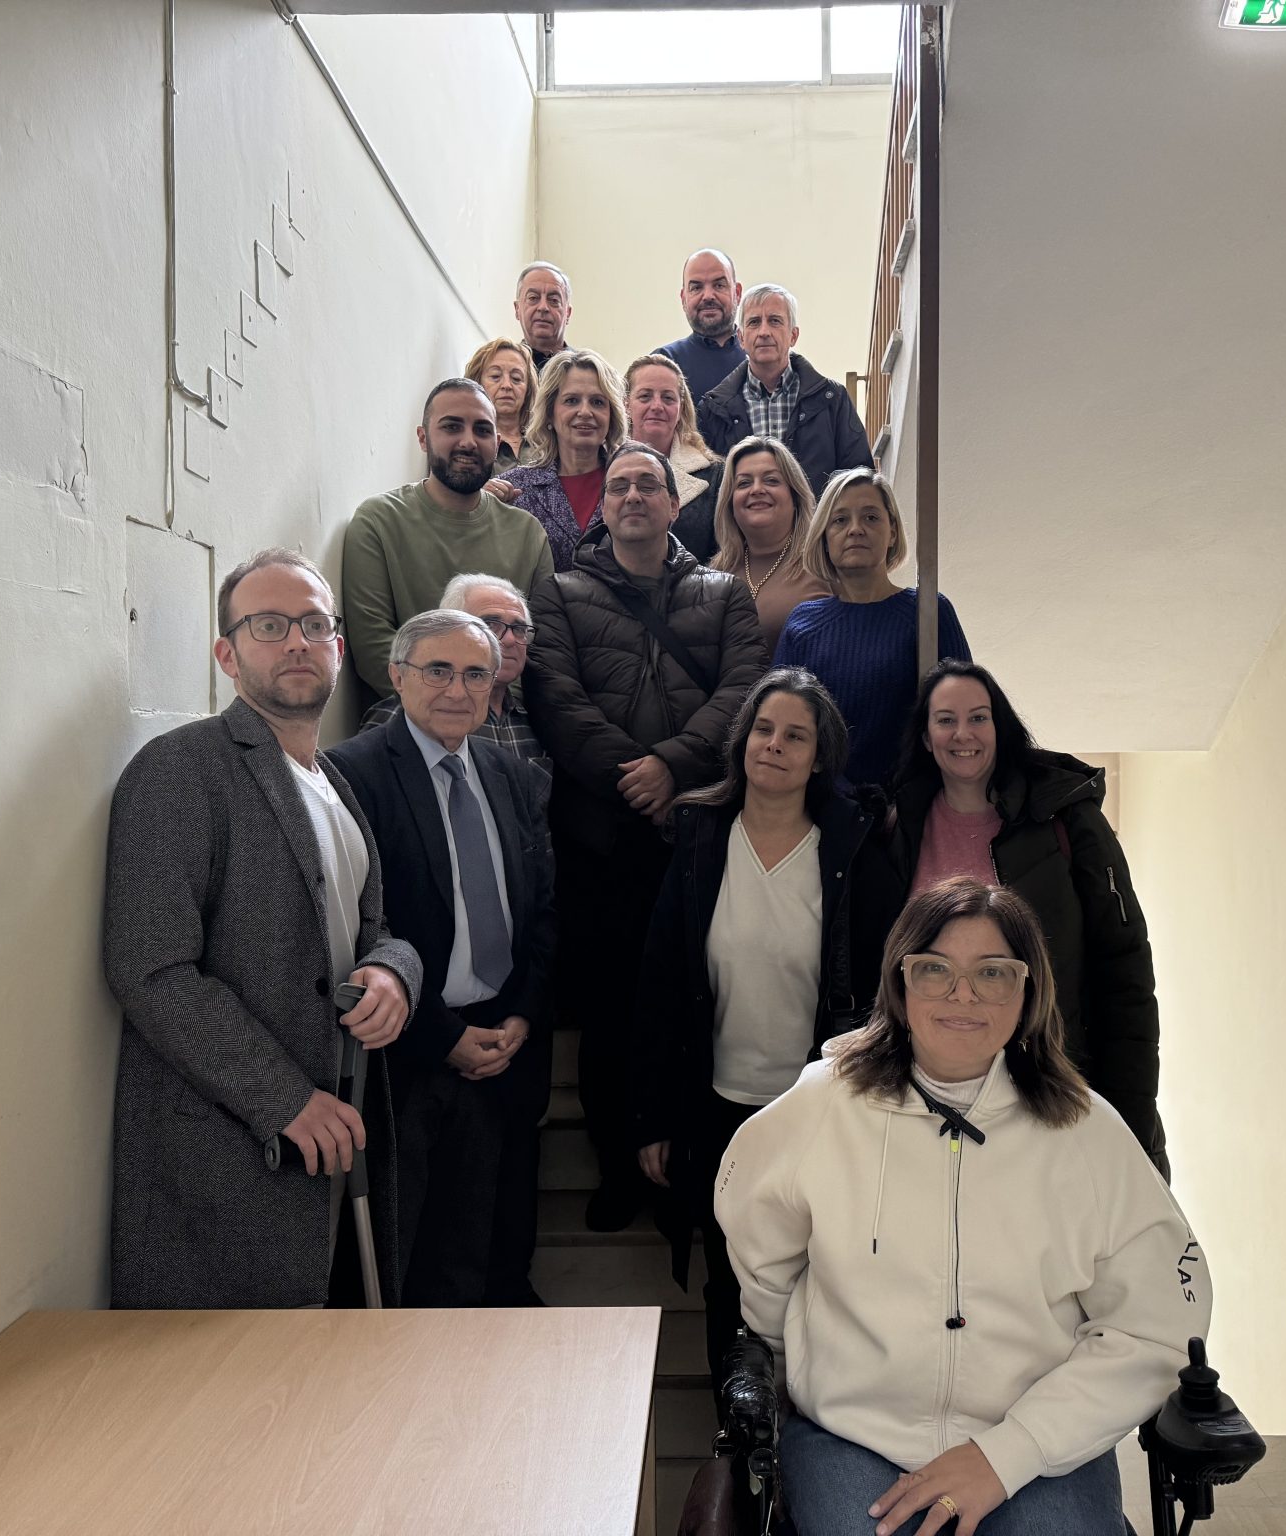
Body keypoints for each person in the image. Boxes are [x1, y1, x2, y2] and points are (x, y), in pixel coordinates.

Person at [718, 879, 1210, 1536]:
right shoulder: (821, 1107)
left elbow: (1155, 1326)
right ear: (901, 983)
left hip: (1036, 1441)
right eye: (935, 970)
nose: (963, 995)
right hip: (853, 1436)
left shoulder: (1087, 1133)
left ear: (1028, 990)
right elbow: (761, 1249)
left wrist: (1009, 1452)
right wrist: (793, 1366)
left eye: (992, 973)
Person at [104, 549, 422, 1309]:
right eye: (270, 625)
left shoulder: (334, 782)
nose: (296, 642)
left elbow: (375, 928)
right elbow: (150, 969)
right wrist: (284, 1099)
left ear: (339, 646)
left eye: (314, 625)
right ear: (227, 654)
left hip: (336, 1150)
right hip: (225, 1165)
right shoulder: (179, 769)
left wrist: (393, 973)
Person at [632, 668, 904, 1397]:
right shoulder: (699, 836)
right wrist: (655, 1116)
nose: (774, 745)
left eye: (795, 736)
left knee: (827, 1275)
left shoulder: (852, 849)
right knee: (732, 1279)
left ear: (819, 758)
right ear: (742, 741)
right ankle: (740, 1433)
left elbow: (886, 985)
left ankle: (816, 1423)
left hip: (822, 1110)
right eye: (763, 729)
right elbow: (660, 982)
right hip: (718, 1108)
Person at [523, 440, 769, 1231]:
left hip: (698, 834)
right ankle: (616, 1167)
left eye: (647, 485)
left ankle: (687, 1174)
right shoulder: (559, 593)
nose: (633, 495)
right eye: (619, 485)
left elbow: (743, 692)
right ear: (602, 508)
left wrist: (673, 767)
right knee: (609, 1011)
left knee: (695, 1004)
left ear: (672, 503)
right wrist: (637, 777)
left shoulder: (725, 594)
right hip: (601, 838)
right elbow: (557, 700)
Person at [325, 611, 556, 1307]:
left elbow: (542, 903)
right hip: (406, 1052)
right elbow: (358, 929)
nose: (458, 690)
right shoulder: (350, 773)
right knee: (400, 1260)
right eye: (439, 670)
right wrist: (444, 1037)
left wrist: (523, 1013)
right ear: (397, 676)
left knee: (482, 1254)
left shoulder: (510, 771)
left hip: (502, 1041)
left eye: (476, 674)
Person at [890, 660, 1168, 1177]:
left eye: (979, 717)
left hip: (1051, 1084)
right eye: (946, 720)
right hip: (928, 1095)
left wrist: (1132, 1123)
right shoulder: (897, 826)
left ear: (1000, 727)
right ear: (926, 738)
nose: (963, 734)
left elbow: (1124, 971)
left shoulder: (1066, 817)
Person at [342, 378, 556, 698]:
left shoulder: (529, 534)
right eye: (452, 427)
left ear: (496, 443)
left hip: (507, 716)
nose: (468, 442)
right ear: (423, 438)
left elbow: (540, 649)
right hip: (409, 715)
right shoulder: (378, 522)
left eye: (482, 430)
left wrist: (495, 711)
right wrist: (456, 706)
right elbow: (374, 650)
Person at [775, 468, 970, 784]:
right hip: (819, 802)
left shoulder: (929, 612)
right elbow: (780, 725)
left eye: (871, 517)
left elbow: (964, 714)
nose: (855, 529)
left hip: (908, 802)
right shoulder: (802, 624)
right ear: (824, 538)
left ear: (892, 531)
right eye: (840, 520)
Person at [362, 573, 548, 785]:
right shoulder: (404, 714)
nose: (510, 639)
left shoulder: (538, 720)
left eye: (519, 629)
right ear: (448, 628)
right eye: (490, 624)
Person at [696, 283, 873, 494]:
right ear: (741, 338)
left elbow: (858, 481)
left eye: (775, 321)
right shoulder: (713, 410)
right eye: (754, 322)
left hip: (816, 517)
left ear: (793, 336)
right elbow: (707, 490)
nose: (764, 332)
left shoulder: (832, 400)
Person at [500, 348, 629, 574]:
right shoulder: (514, 489)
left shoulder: (633, 482)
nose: (585, 411)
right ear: (550, 413)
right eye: (572, 400)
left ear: (612, 415)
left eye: (598, 402)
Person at [708, 435, 831, 651]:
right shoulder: (716, 573)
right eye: (744, 483)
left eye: (771, 480)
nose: (757, 489)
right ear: (730, 502)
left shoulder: (825, 563)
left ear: (795, 497)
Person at [623, 352, 723, 561]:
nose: (657, 406)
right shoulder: (601, 466)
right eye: (645, 396)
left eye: (668, 398)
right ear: (626, 404)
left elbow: (723, 553)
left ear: (681, 407)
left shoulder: (715, 475)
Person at [655, 247, 747, 401]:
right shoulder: (664, 363)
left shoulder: (761, 358)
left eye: (719, 285)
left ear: (737, 293)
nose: (708, 296)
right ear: (684, 299)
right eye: (696, 288)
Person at [465, 337, 535, 472]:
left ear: (528, 389)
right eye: (495, 376)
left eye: (516, 378)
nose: (507, 385)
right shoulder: (465, 443)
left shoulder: (545, 444)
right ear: (477, 383)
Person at [514, 260, 573, 375]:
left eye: (554, 300)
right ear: (517, 309)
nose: (543, 307)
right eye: (533, 298)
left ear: (568, 313)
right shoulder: (503, 371)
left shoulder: (588, 371)